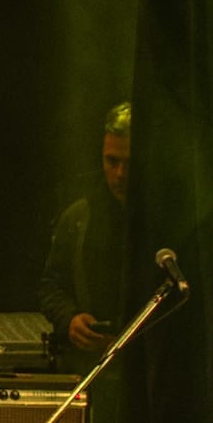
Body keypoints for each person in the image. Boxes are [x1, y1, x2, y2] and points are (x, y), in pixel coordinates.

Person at [45, 101, 137, 354]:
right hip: (92, 366)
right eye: (111, 161)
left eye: (130, 163)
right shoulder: (79, 216)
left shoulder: (169, 219)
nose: (120, 174)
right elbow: (51, 286)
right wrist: (70, 320)